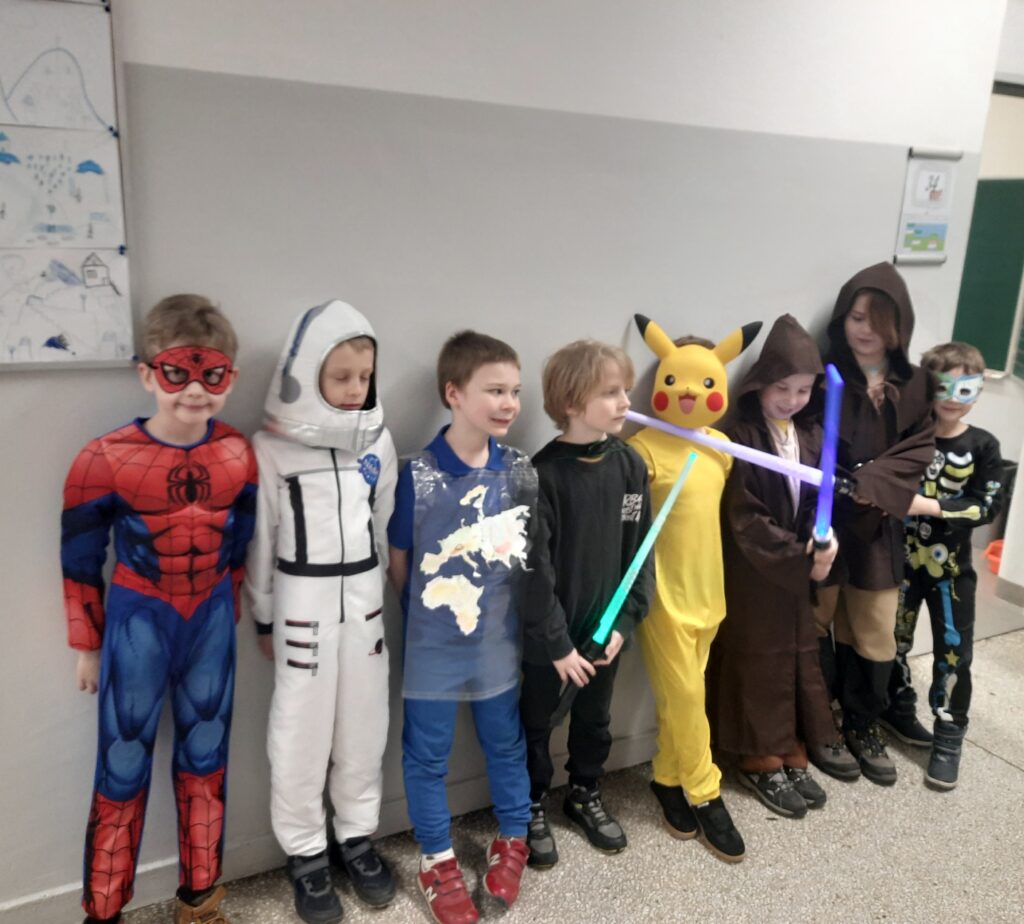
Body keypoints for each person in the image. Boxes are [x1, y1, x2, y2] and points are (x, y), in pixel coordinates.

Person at [62, 295, 257, 924]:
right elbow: (78, 559)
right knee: (121, 765)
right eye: (178, 372)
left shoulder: (239, 452)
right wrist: (88, 644)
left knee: (207, 760)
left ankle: (200, 900)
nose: (195, 390)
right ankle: (103, 911)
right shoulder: (103, 457)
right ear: (147, 374)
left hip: (211, 620)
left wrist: (230, 609)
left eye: (212, 375)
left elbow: (243, 540)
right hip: (137, 619)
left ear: (231, 377)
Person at [244, 300, 398, 924]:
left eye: (364, 377)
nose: (355, 388)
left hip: (364, 608)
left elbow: (385, 521)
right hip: (300, 608)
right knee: (299, 733)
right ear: (306, 374)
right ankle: (306, 852)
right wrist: (263, 615)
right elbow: (261, 538)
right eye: (341, 377)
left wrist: (383, 594)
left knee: (364, 726)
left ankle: (356, 835)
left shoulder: (378, 441)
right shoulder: (271, 449)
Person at [387, 331, 536, 924]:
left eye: (515, 391)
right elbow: (400, 560)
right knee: (427, 753)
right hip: (433, 644)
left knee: (505, 740)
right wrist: (430, 620)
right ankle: (436, 858)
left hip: (497, 642)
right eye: (494, 390)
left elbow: (530, 559)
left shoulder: (518, 471)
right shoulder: (418, 475)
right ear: (453, 393)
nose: (509, 403)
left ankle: (514, 834)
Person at [627, 313, 761, 864]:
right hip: (663, 597)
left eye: (705, 382)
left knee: (682, 697)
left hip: (711, 591)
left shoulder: (723, 448)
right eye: (678, 380)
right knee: (686, 696)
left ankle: (665, 778)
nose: (689, 392)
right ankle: (706, 793)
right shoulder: (641, 449)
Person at [520, 340, 653, 867]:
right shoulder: (542, 476)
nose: (626, 402)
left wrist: (624, 622)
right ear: (572, 403)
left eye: (626, 390)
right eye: (611, 392)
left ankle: (584, 792)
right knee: (536, 722)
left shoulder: (629, 467)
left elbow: (639, 551)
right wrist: (556, 644)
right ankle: (530, 802)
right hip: (551, 640)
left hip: (605, 632)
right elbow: (534, 573)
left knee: (596, 719)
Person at [709, 314, 839, 819]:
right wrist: (798, 554)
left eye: (803, 390)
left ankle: (787, 744)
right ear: (760, 384)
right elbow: (745, 515)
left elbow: (816, 502)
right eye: (782, 387)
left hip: (794, 572)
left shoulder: (810, 436)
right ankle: (756, 756)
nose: (791, 399)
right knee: (756, 658)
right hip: (754, 571)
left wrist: (819, 541)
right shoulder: (739, 437)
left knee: (795, 655)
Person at [811, 262, 935, 786]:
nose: (863, 330)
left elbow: (920, 447)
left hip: (879, 524)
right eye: (855, 317)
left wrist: (872, 481)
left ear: (897, 326)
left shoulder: (916, 383)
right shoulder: (822, 377)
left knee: (874, 628)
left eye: (876, 320)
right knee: (816, 620)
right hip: (825, 521)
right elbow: (804, 437)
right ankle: (820, 721)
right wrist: (843, 483)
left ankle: (863, 722)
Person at [884, 341, 1003, 789]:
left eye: (964, 388)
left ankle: (949, 736)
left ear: (978, 391)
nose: (953, 398)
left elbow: (986, 507)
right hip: (900, 562)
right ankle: (896, 708)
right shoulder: (909, 436)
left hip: (951, 572)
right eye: (943, 387)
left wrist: (928, 506)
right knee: (891, 640)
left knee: (954, 652)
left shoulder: (983, 445)